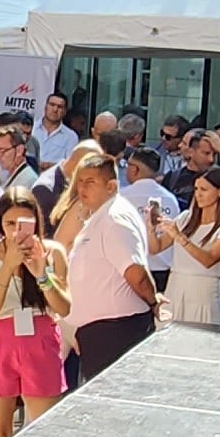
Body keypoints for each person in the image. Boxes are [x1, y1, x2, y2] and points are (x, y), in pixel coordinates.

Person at [0, 191, 70, 437]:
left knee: (41, 435)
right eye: (10, 224)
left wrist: (41, 273)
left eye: (23, 223)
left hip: (40, 339)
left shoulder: (53, 252)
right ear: (0, 224)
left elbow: (64, 306)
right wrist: (8, 265)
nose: (16, 231)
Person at [50, 145, 157, 380]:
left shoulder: (115, 218)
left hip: (114, 332)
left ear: (111, 186)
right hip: (96, 332)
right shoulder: (100, 215)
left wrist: (153, 301)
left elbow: (135, 272)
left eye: (90, 182)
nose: (82, 188)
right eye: (80, 181)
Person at [162, 167, 220, 327]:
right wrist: (150, 226)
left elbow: (209, 259)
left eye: (204, 189)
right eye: (196, 189)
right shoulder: (185, 218)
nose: (198, 194)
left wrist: (180, 237)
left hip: (204, 292)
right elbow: (156, 247)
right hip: (176, 286)